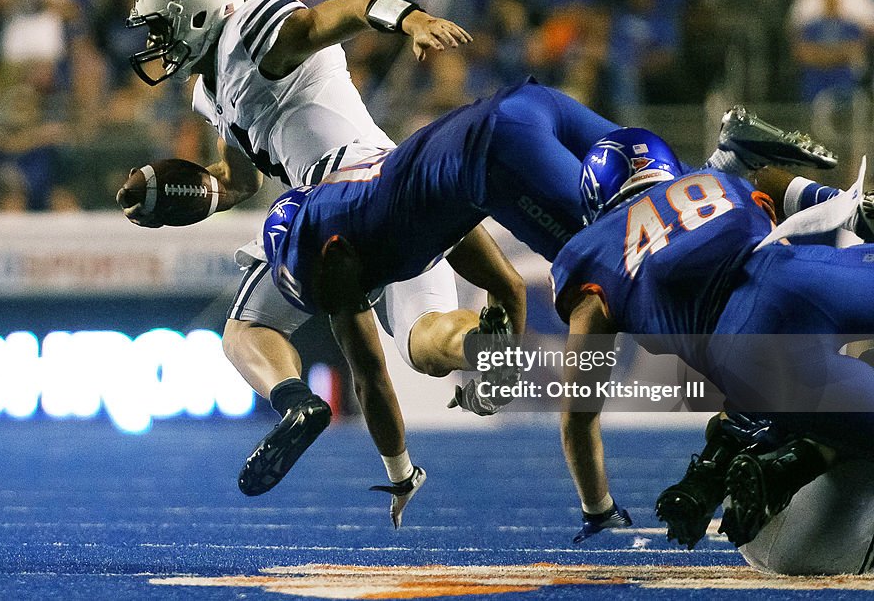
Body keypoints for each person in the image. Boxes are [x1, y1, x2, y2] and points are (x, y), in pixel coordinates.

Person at [254, 76, 852, 527]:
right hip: (522, 106)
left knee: (628, 258)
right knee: (666, 187)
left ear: (319, 257)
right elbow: (509, 287)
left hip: (498, 154)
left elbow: (372, 380)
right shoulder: (379, 206)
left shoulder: (351, 246)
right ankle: (737, 166)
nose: (332, 301)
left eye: (320, 287)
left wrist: (401, 471)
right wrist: (501, 365)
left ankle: (749, 427)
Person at [119, 0, 526, 525]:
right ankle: (477, 345)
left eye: (162, 26)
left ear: (198, 10)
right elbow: (235, 180)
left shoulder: (249, 31)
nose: (156, 43)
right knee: (424, 344)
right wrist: (171, 194)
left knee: (245, 329)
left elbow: (341, 14)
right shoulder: (211, 91)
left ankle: (295, 400)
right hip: (397, 188)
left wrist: (409, 19)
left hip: (329, 204)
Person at [550, 128, 874, 548]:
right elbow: (773, 180)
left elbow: (578, 412)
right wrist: (847, 207)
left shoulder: (591, 253)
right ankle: (770, 455)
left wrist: (599, 509)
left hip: (746, 348)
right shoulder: (712, 180)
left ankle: (743, 455)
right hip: (804, 272)